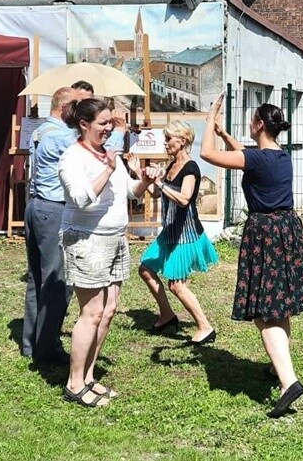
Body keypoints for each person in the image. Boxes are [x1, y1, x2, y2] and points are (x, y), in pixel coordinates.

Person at [201, 97, 303, 419]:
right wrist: (225, 135)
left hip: (265, 233)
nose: (250, 125)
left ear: (259, 125)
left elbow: (207, 154)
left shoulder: (259, 159)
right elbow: (248, 157)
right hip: (287, 230)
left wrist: (210, 121)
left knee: (265, 312)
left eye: (252, 120)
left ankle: (289, 380)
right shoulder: (280, 156)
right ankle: (279, 369)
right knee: (280, 306)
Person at [58, 98, 154, 407]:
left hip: (115, 239)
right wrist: (108, 169)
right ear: (84, 125)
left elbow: (130, 192)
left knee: (109, 310)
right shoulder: (72, 158)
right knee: (92, 312)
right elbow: (82, 198)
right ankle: (74, 383)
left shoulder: (107, 155)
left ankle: (88, 376)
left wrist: (144, 182)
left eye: (110, 122)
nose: (109, 128)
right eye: (102, 123)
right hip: (87, 240)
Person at [137, 120, 219, 344]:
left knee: (176, 285)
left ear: (182, 141)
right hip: (170, 232)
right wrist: (142, 176)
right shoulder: (171, 165)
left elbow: (184, 199)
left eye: (168, 139)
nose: (165, 143)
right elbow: (156, 194)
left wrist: (161, 184)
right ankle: (167, 315)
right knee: (145, 270)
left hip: (186, 235)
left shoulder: (190, 168)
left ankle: (205, 327)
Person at [22, 86, 86, 366]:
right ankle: (47, 347)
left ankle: (31, 342)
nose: (84, 114)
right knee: (57, 281)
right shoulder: (63, 136)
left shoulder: (40, 130)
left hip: (36, 206)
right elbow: (92, 146)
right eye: (80, 108)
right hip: (54, 208)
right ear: (66, 108)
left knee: (38, 279)